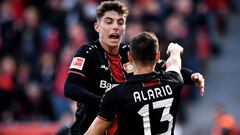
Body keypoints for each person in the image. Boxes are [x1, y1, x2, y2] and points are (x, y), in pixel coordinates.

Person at [64, 1, 204, 135]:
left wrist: (191, 76)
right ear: (97, 27)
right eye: (109, 22)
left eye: (120, 22)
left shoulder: (129, 52)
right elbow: (70, 87)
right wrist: (104, 102)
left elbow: (164, 67)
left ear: (124, 28)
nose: (115, 27)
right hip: (88, 127)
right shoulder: (87, 52)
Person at [84, 32, 185, 135]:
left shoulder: (117, 94)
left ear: (129, 57)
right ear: (157, 56)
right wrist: (175, 50)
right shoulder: (173, 81)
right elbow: (174, 63)